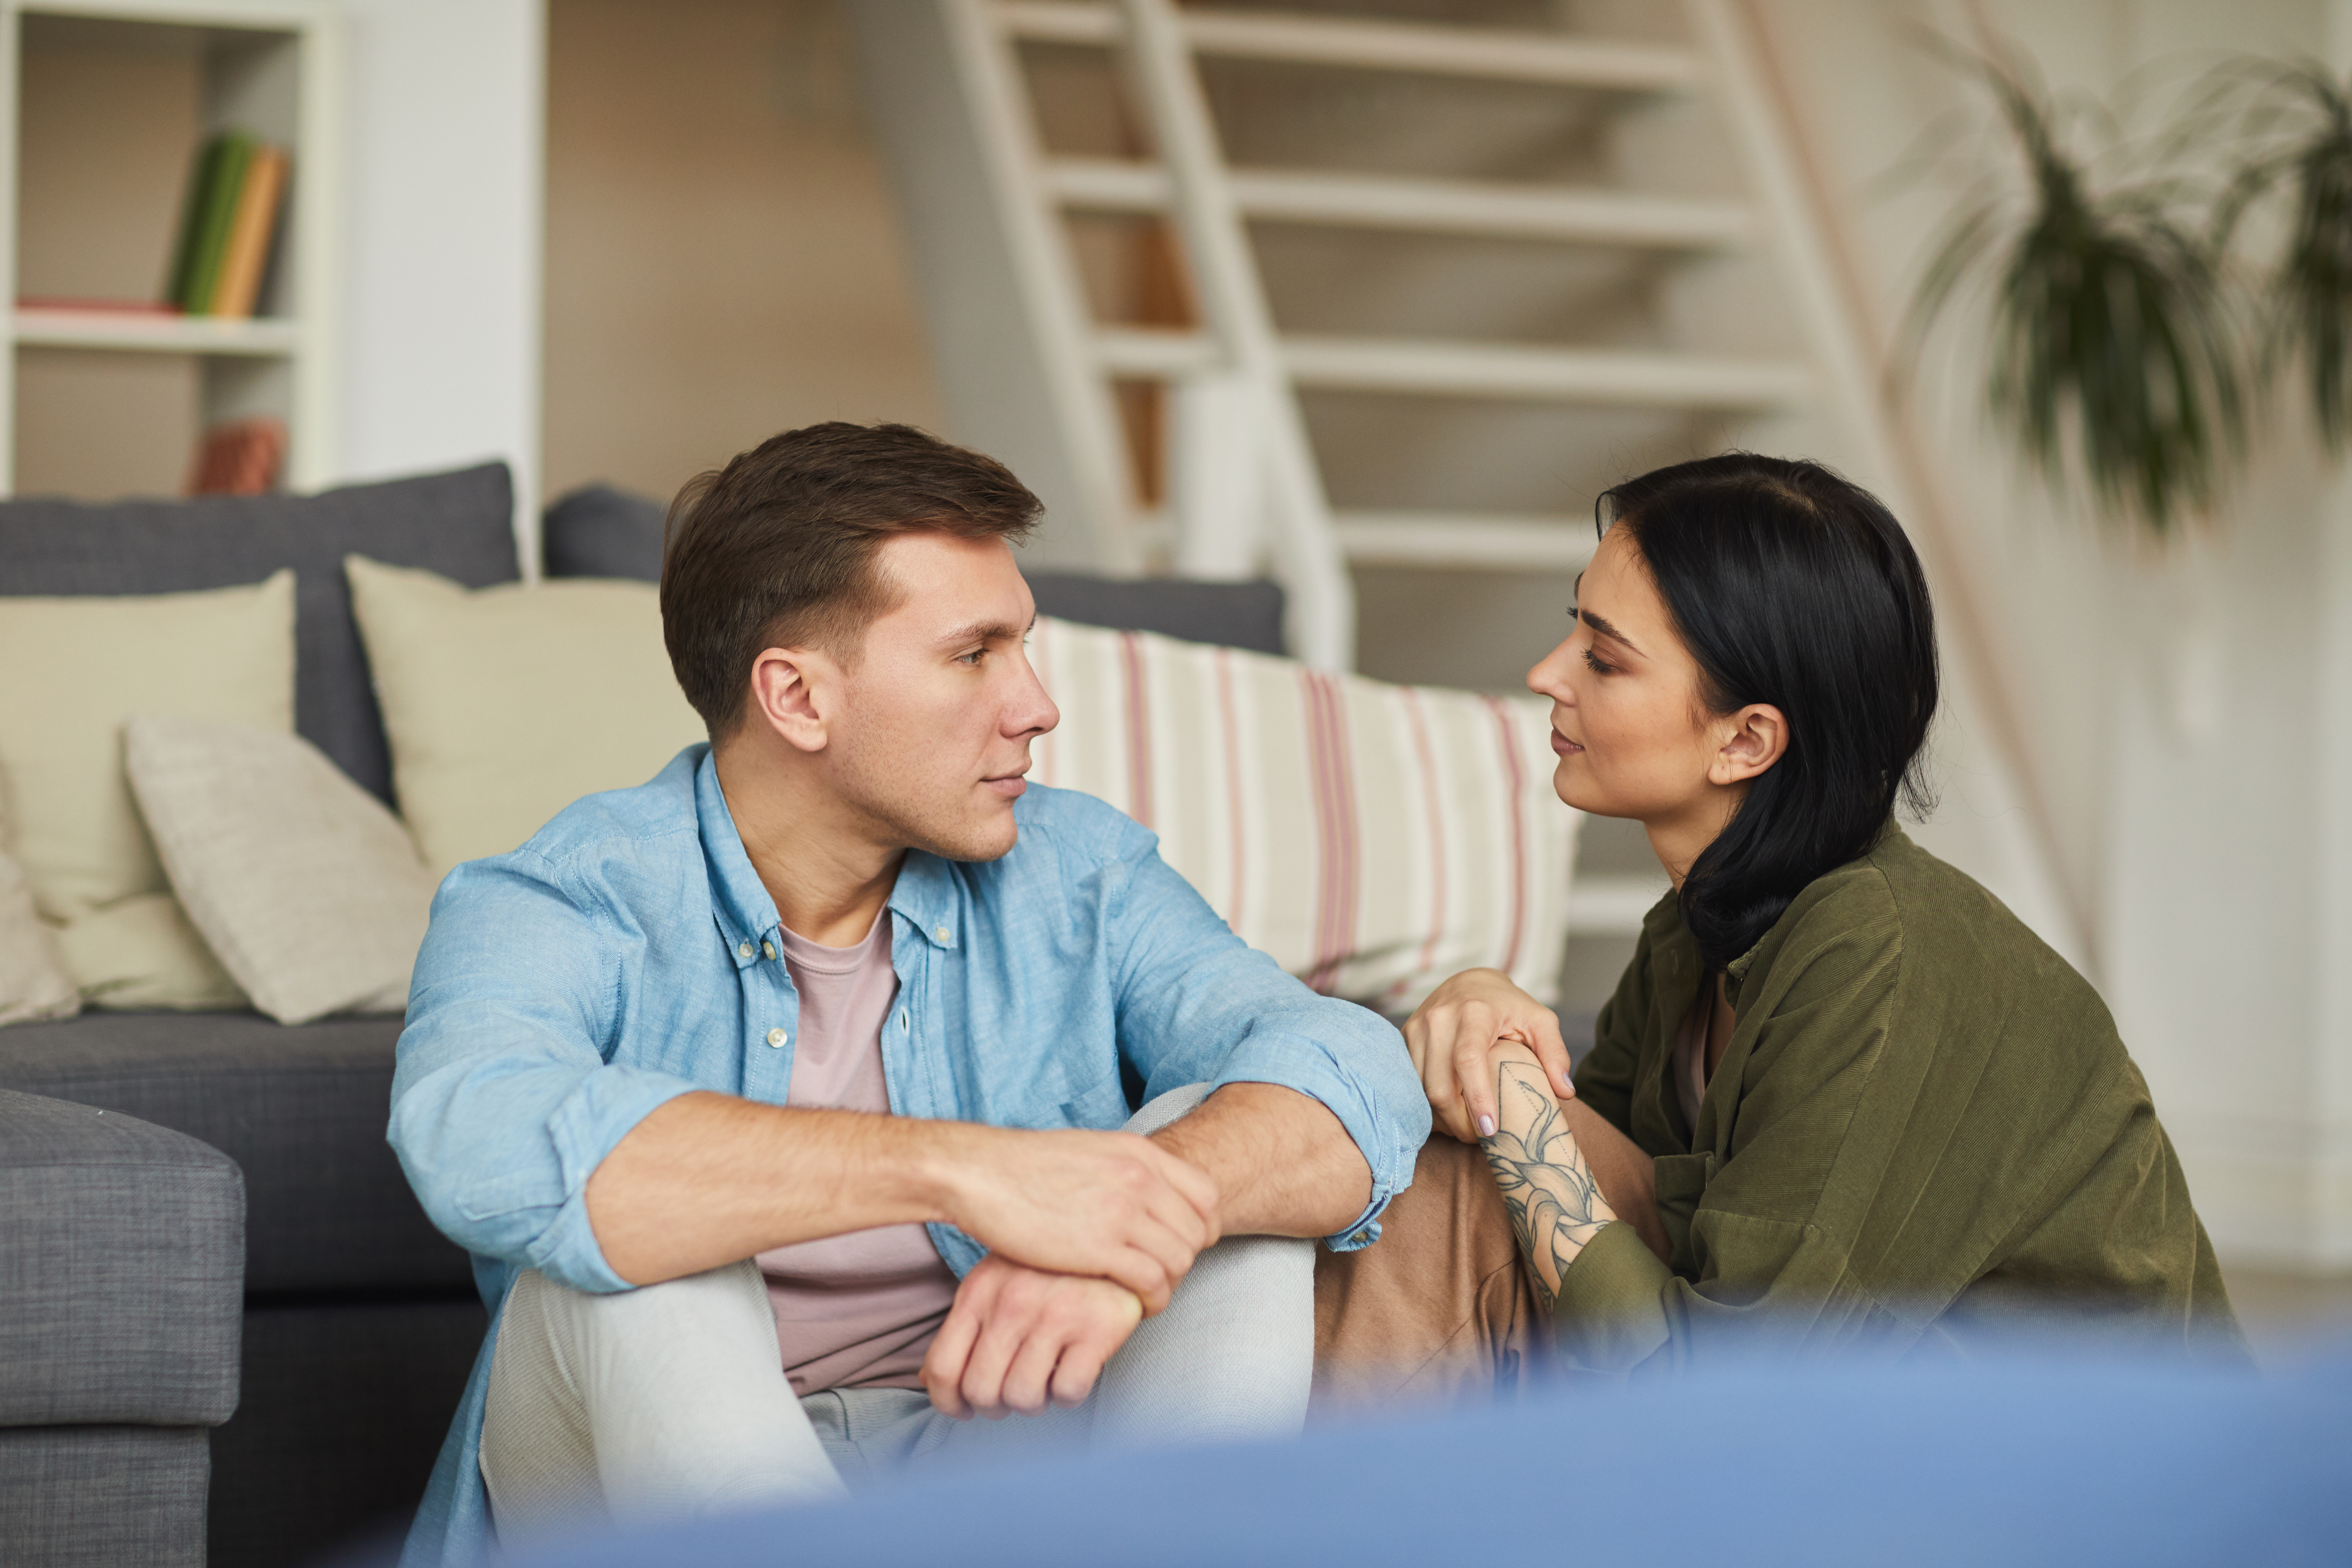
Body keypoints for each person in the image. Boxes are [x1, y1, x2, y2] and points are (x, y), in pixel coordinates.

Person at [387, 422, 1428, 1565]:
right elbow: (470, 1134)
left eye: (1022, 648)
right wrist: (967, 1171)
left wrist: (1124, 1219)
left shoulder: (1078, 870)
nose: (1036, 705)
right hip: (636, 1491)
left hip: (994, 1452)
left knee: (1206, 1165)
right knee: (645, 1250)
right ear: (796, 697)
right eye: (975, 654)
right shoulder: (560, 898)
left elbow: (1343, 1062)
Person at [1329, 453, 2244, 1384]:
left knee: (1468, 1171)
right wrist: (1487, 1011)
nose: (1545, 674)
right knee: (1446, 1170)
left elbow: (1728, 1394)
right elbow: (1575, 1172)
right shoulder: (1697, 928)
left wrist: (1511, 1109)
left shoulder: (1876, 960)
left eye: (1603, 659)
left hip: (2066, 1493)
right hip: (1852, 1439)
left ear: (1746, 740)